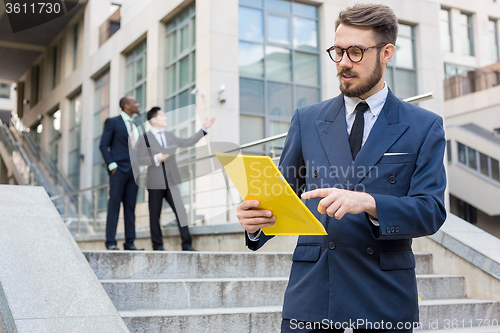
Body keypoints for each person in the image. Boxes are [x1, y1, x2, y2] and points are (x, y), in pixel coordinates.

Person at [237, 4, 446, 333]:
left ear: (386, 52)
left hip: (383, 297)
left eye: (356, 52)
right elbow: (284, 198)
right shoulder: (307, 120)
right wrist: (255, 223)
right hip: (313, 295)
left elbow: (431, 210)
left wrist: (370, 203)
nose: (344, 63)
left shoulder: (423, 126)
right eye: (338, 51)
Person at [135, 106, 215, 251]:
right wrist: (155, 158)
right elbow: (138, 159)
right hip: (155, 182)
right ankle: (158, 246)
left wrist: (203, 130)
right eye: (162, 116)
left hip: (171, 180)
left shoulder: (169, 135)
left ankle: (187, 244)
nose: (165, 118)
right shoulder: (144, 138)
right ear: (153, 119)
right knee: (155, 215)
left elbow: (187, 142)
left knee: (181, 213)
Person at [99, 96, 143, 251]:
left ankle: (129, 243)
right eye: (135, 102)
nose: (138, 104)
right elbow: (104, 145)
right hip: (118, 170)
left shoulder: (135, 125)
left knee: (130, 207)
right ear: (126, 105)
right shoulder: (113, 122)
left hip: (134, 172)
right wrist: (112, 164)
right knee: (114, 205)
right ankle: (110, 242)